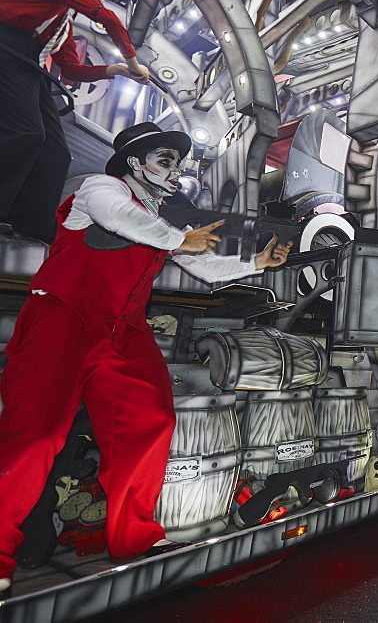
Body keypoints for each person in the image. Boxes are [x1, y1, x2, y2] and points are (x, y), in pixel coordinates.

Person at [0, 123, 293, 593]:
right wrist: (180, 241)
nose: (173, 170)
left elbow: (201, 265)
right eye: (163, 159)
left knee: (150, 421)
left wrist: (256, 263)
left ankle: (132, 540)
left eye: (176, 163)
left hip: (123, 330)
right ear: (135, 163)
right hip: (64, 319)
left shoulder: (161, 223)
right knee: (35, 435)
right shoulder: (100, 188)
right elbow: (119, 218)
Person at [0, 0, 152, 243]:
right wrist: (132, 62)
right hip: (7, 51)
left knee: (56, 151)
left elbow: (70, 69)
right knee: (26, 133)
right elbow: (107, 18)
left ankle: (30, 224)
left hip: (31, 68)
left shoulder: (62, 25)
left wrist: (115, 70)